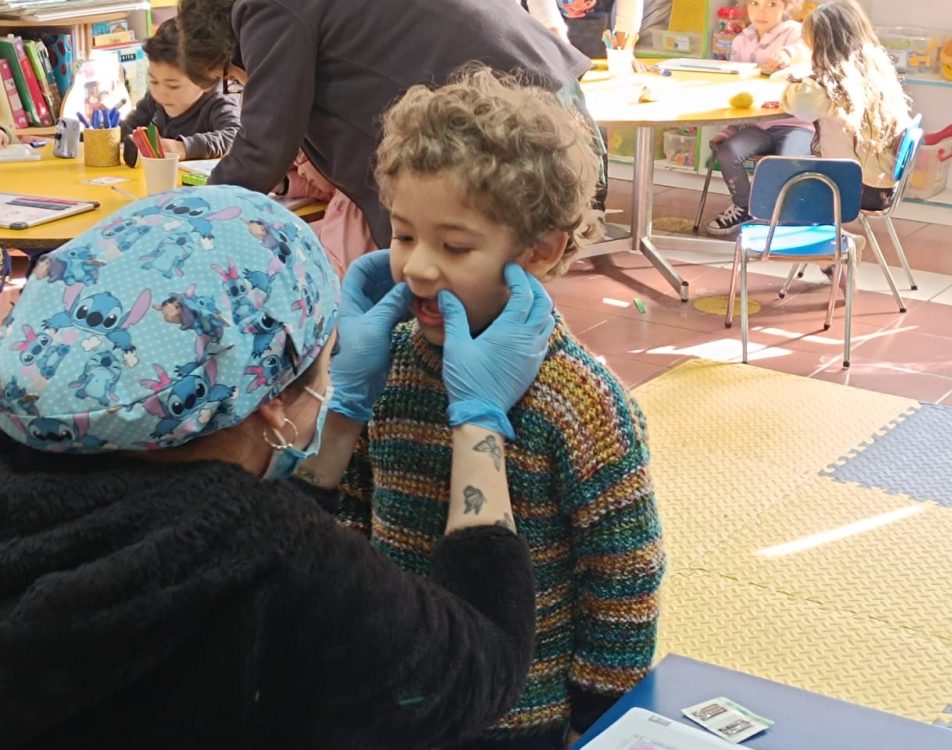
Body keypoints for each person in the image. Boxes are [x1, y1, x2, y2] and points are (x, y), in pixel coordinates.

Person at [0, 184, 560, 748]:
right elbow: (478, 663)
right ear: (269, 401)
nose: (416, 267)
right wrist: (479, 419)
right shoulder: (266, 551)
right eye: (328, 358)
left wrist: (338, 421)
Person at [298, 68, 666, 750]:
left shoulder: (579, 401)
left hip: (515, 716)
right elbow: (350, 502)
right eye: (404, 235)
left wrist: (597, 710)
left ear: (541, 251)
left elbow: (622, 569)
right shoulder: (395, 360)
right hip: (394, 688)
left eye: (455, 246)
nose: (416, 269)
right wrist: (339, 406)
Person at [173, 0, 605, 250]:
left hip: (508, 109)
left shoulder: (267, 7)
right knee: (510, 277)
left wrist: (183, 218)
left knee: (465, 283)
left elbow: (263, 148)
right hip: (549, 93)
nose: (243, 87)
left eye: (230, 79)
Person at [780, 0, 911, 280]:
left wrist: (796, 78)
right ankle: (836, 248)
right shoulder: (874, 71)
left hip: (854, 188)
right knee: (800, 179)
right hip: (881, 185)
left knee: (784, 192)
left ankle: (838, 249)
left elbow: (799, 105)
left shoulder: (833, 86)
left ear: (823, 46)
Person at [705, 0, 813, 236]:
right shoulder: (741, 39)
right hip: (756, 124)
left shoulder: (795, 32)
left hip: (792, 123)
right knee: (727, 152)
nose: (761, 11)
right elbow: (736, 92)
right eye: (755, 3)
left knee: (789, 164)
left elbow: (804, 51)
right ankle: (744, 206)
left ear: (786, 7)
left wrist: (787, 55)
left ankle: (783, 217)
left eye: (771, 4)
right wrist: (729, 130)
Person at [119, 19, 240, 167]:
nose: (160, 94)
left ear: (204, 78)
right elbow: (130, 126)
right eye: (154, 81)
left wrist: (182, 148)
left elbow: (235, 136)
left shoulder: (219, 102)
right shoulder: (156, 97)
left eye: (173, 86)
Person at [273, 149, 376, 278]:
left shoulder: (349, 205)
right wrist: (284, 184)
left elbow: (336, 276)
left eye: (302, 160)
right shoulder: (350, 186)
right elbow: (326, 185)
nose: (300, 172)